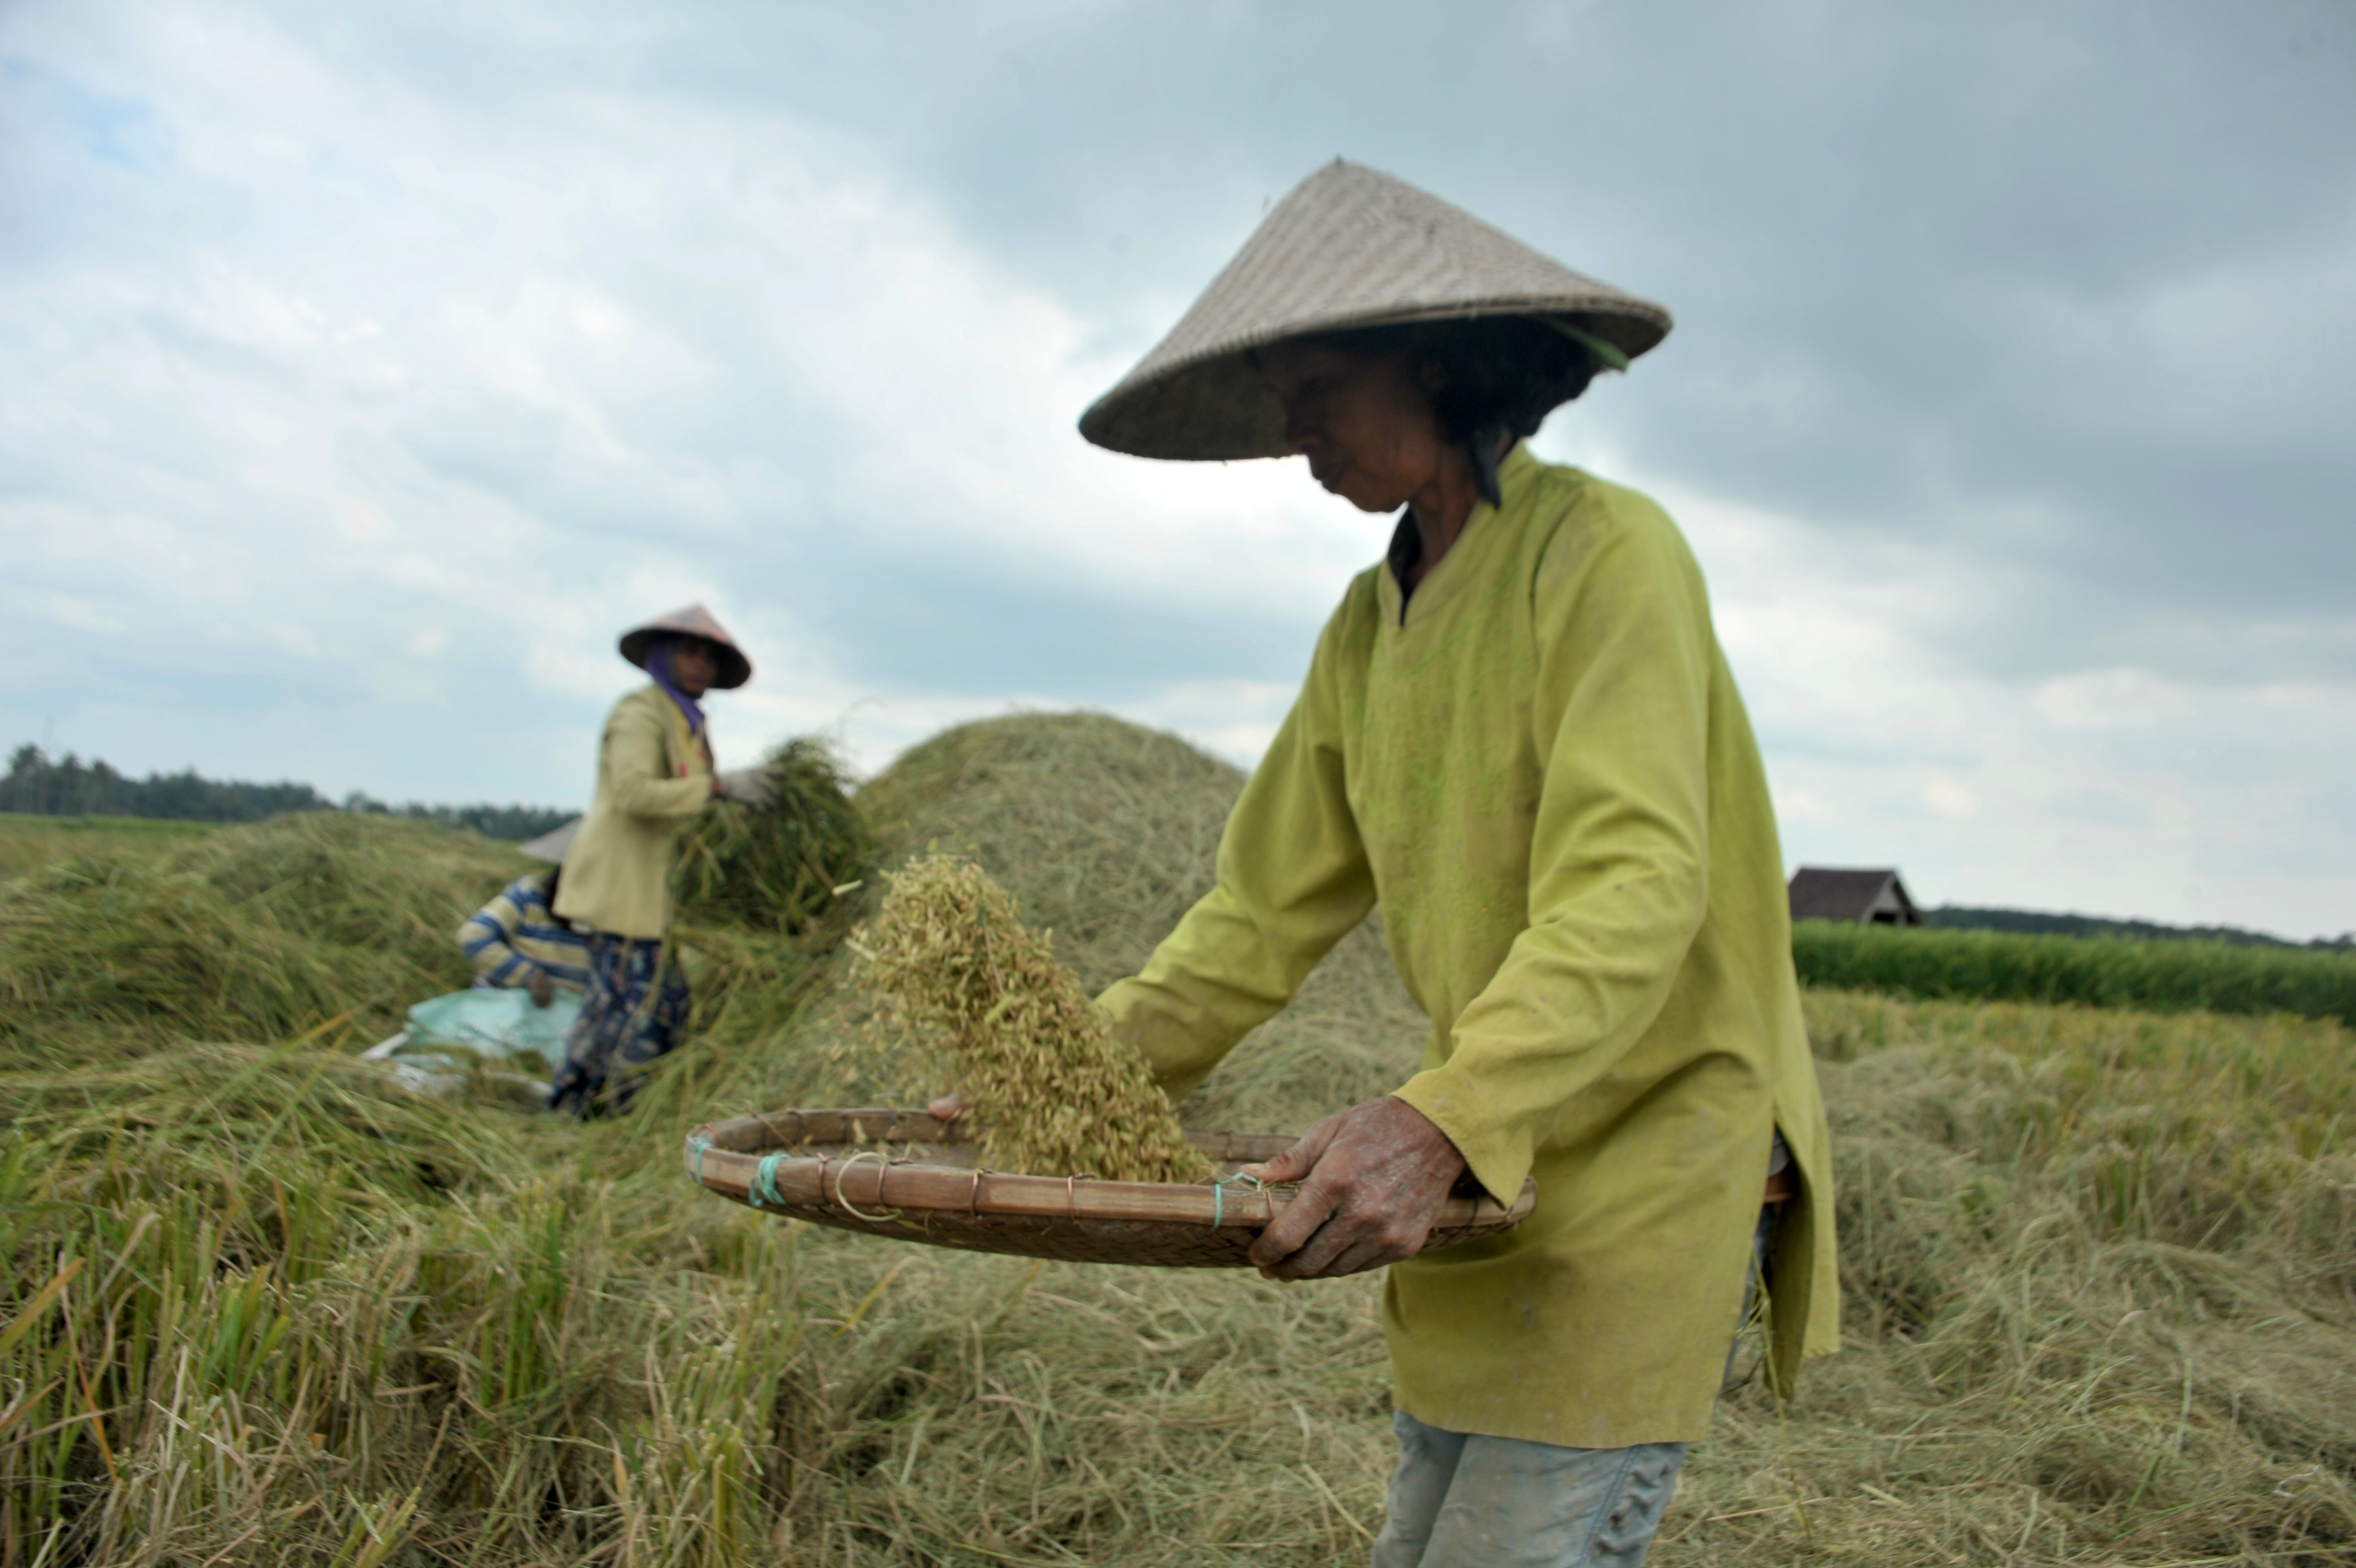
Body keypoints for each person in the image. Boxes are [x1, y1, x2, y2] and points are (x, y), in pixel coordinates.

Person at [1067, 161, 1841, 1566]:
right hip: (1488, 1182)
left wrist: (1440, 1116)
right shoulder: (1367, 628)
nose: (1294, 430)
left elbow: (1634, 881)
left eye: (1312, 386)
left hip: (1632, 1152)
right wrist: (1075, 1065)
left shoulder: (1603, 556)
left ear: (1431, 357)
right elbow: (1255, 912)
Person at [547, 604, 775, 1115]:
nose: (700, 665)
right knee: (627, 1010)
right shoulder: (640, 713)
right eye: (689, 652)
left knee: (657, 1005)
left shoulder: (689, 723)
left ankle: (600, 1106)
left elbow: (691, 798)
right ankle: (587, 1109)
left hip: (656, 897)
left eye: (709, 657)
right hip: (624, 890)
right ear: (662, 656)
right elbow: (633, 793)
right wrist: (717, 787)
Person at [455, 819, 590, 1007]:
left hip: (562, 1020)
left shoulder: (614, 919)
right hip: (499, 1006)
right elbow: (474, 936)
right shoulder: (530, 894)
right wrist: (529, 977)